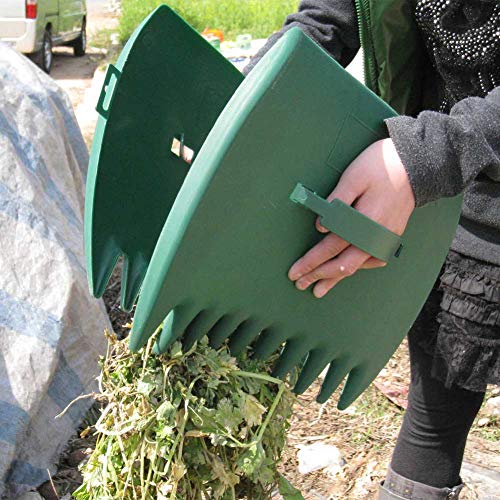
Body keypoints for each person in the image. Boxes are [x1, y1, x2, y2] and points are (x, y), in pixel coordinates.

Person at [243, 1, 500, 498]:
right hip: (451, 182)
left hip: (442, 155)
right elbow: (324, 23)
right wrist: (244, 109)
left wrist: (424, 155)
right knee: (437, 404)